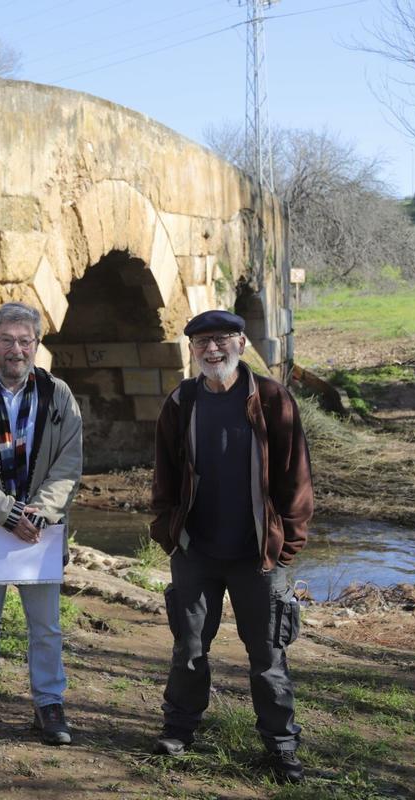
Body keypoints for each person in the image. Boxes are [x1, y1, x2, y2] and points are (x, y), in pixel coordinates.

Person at [149, 309, 313, 784]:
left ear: (241, 343)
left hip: (257, 556)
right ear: (192, 350)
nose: (211, 349)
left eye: (220, 340)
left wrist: (287, 547)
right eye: (201, 342)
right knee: (189, 648)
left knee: (267, 656)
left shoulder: (271, 398)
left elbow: (296, 478)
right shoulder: (182, 401)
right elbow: (164, 473)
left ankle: (281, 747)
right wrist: (168, 532)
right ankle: (179, 731)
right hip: (196, 553)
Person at [0, 302, 83, 746]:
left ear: (37, 345)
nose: (16, 350)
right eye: (7, 340)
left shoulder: (58, 395)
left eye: (25, 341)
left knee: (45, 627)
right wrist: (7, 512)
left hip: (40, 531)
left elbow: (69, 463)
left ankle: (49, 705)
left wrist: (37, 512)